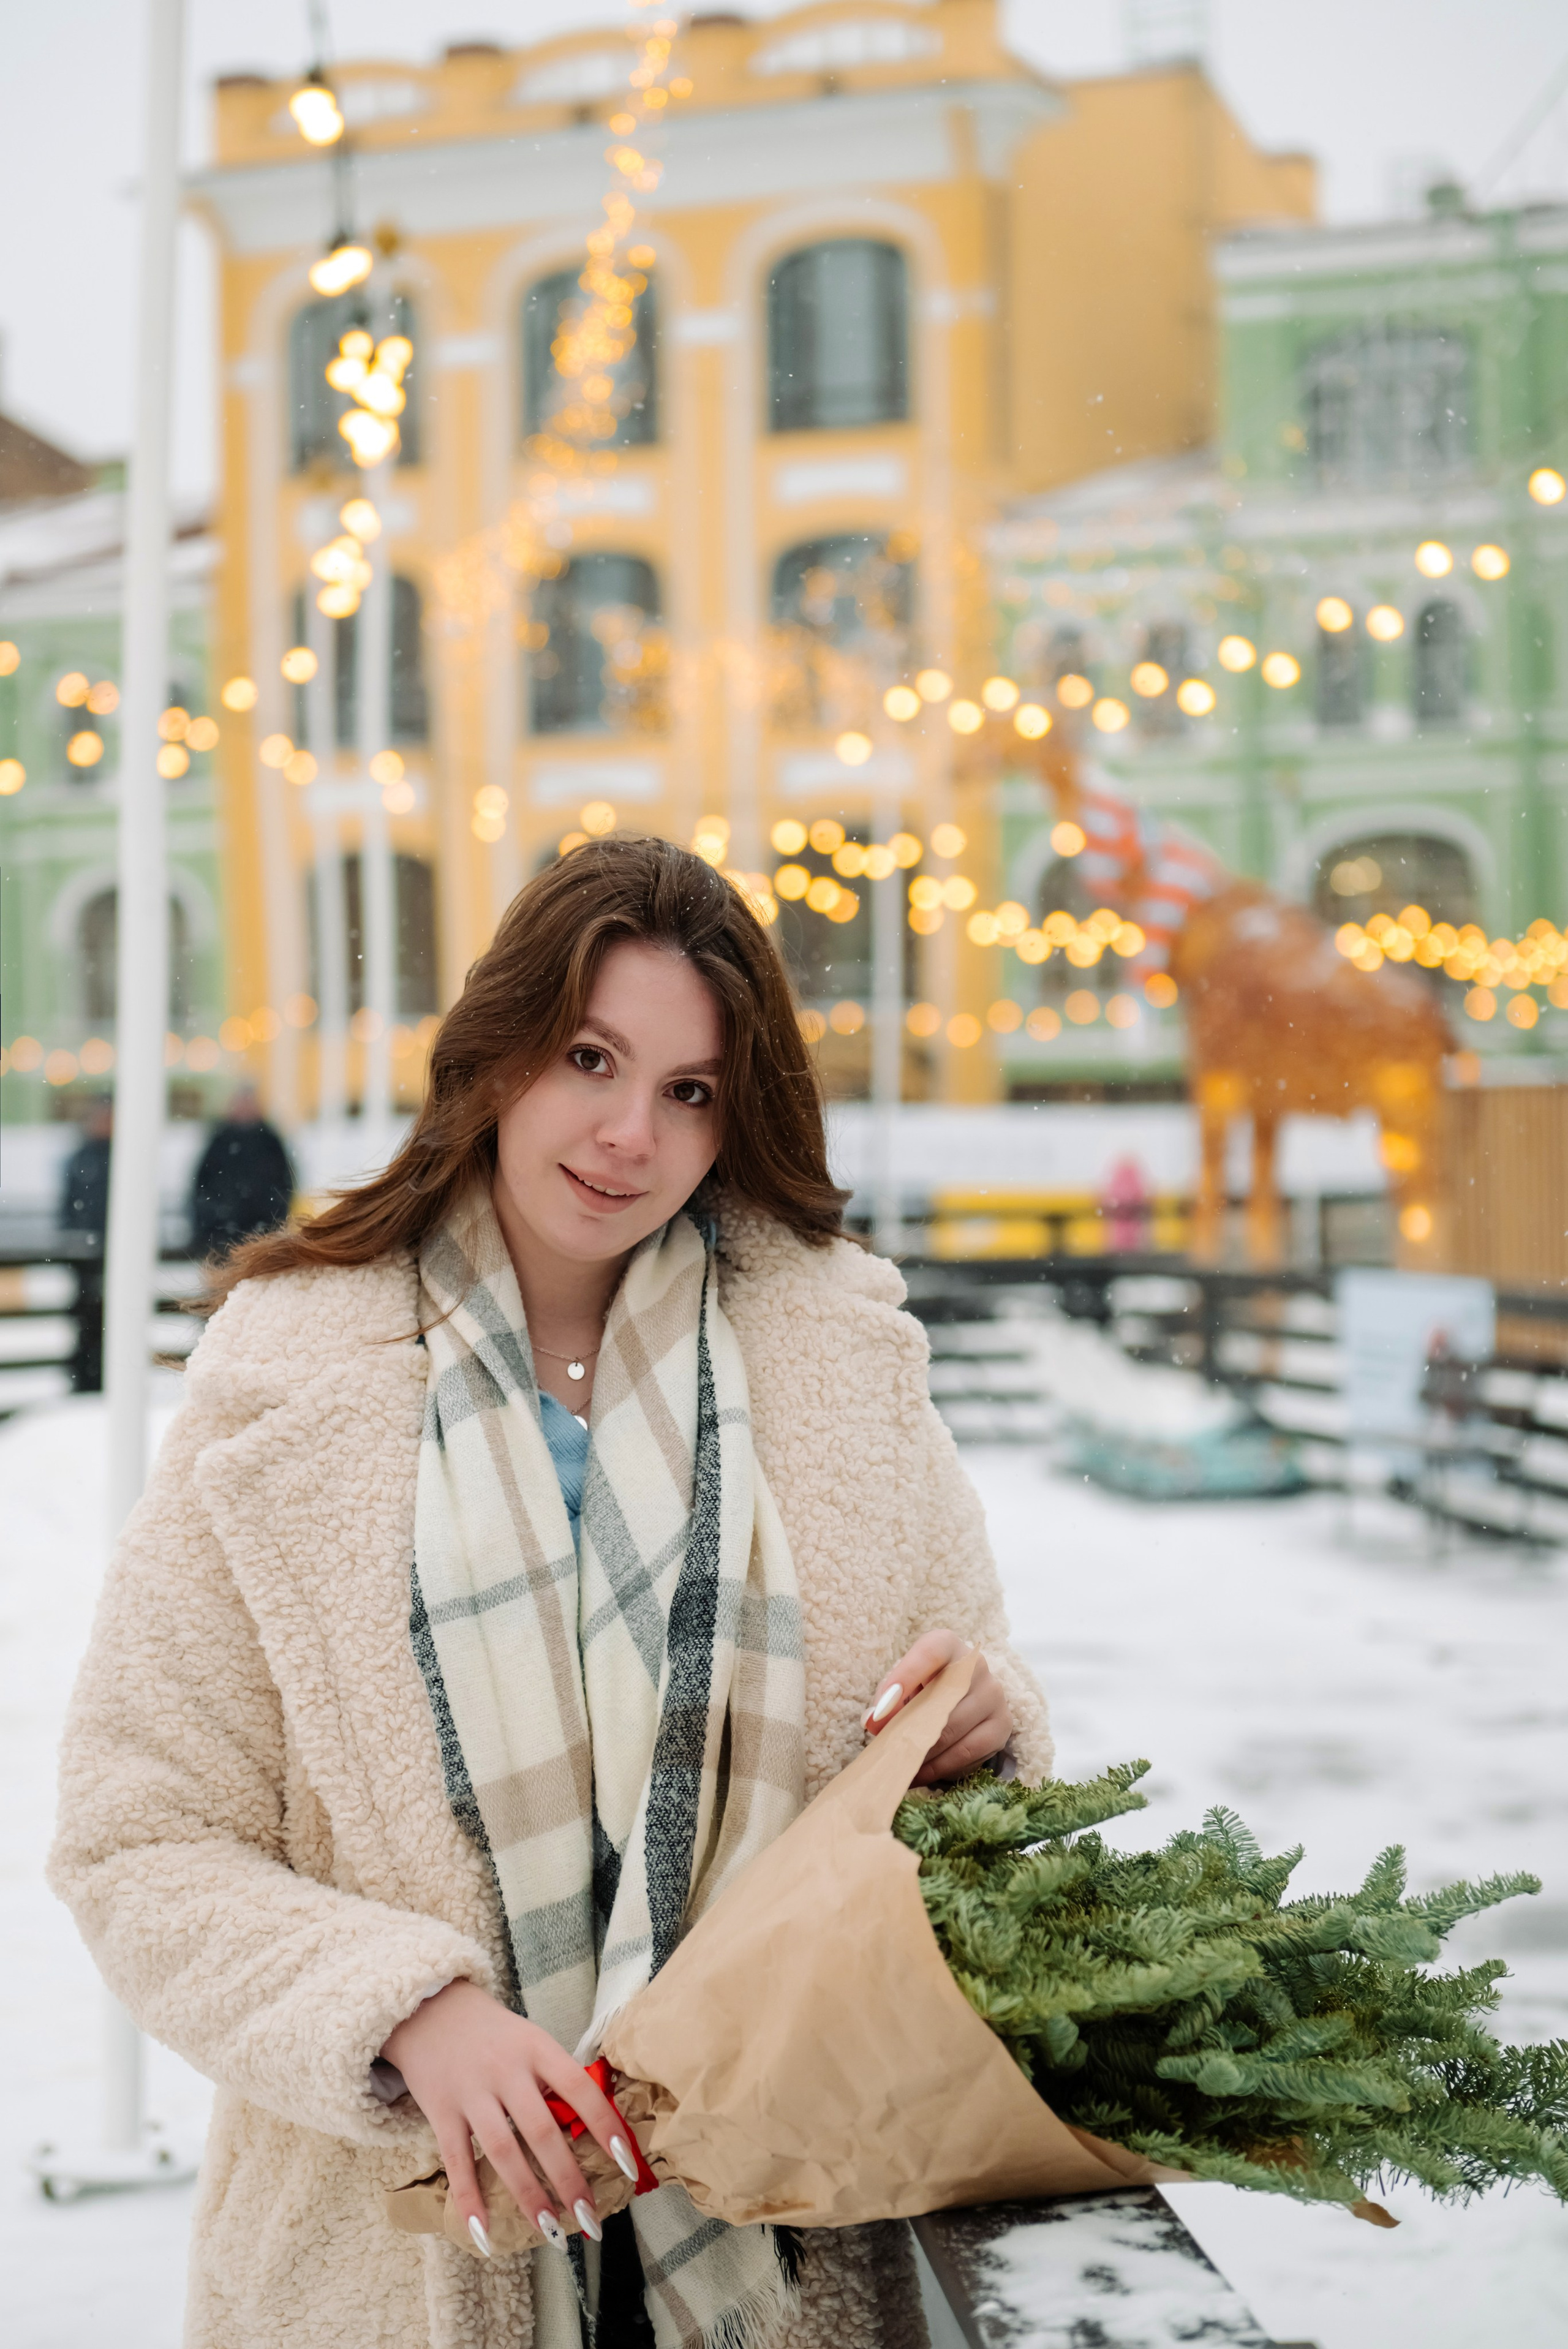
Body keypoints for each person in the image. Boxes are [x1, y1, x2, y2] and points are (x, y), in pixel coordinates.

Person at [50, 837, 1052, 2349]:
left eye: (688, 1088)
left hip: (790, 2244)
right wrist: (400, 2006)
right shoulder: (286, 1388)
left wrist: (982, 1721)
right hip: (390, 2263)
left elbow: (966, 1751)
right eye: (590, 1056)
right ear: (499, 1048)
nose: (625, 1132)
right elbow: (141, 1836)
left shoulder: (841, 1370)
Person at [188, 1082, 295, 1259]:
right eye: (241, 1102)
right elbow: (201, 1183)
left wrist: (273, 1217)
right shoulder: (219, 1139)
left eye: (249, 1102)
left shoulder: (270, 1141)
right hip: (221, 1237)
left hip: (262, 1236)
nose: (245, 1107)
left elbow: (286, 1182)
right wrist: (212, 1218)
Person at [57, 1095, 113, 1242]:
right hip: (86, 1238)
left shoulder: (123, 1158)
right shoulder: (82, 1159)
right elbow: (70, 1204)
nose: (104, 1124)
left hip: (108, 1236)